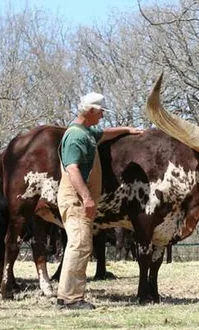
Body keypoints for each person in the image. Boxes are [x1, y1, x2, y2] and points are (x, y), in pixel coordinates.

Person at [56, 92, 143, 310]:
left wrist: (127, 130)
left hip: (81, 199)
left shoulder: (86, 132)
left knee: (80, 246)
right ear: (91, 111)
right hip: (75, 199)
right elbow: (72, 169)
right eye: (101, 111)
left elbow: (103, 134)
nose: (103, 115)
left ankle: (65, 295)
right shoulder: (75, 137)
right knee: (79, 245)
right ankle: (71, 299)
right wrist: (86, 197)